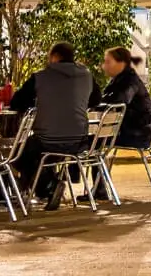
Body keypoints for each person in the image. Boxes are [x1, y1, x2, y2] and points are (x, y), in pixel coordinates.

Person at [11, 42, 101, 209]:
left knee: (20, 153)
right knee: (41, 153)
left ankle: (46, 186)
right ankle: (46, 187)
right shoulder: (87, 76)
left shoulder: (40, 77)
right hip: (79, 141)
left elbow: (17, 102)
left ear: (55, 57)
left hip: (47, 139)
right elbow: (96, 100)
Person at [101, 46, 151, 151]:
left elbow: (120, 100)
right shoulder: (121, 79)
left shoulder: (129, 81)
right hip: (136, 131)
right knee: (92, 139)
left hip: (138, 134)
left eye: (108, 62)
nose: (104, 66)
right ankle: (98, 166)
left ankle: (93, 167)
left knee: (87, 140)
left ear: (121, 63)